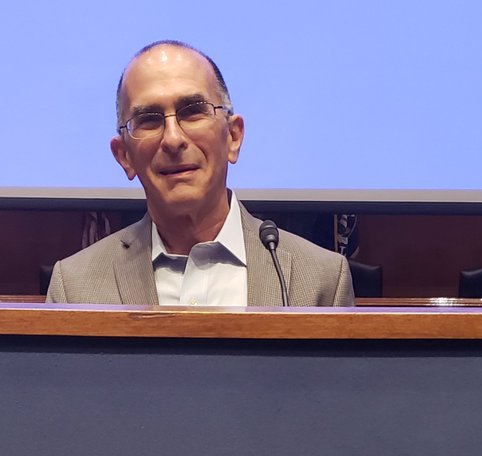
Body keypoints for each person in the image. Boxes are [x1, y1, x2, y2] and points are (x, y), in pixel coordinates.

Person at [46, 41, 353, 307]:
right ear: (124, 156)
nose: (173, 138)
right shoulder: (75, 286)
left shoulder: (321, 280)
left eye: (192, 111)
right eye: (149, 120)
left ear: (233, 137)